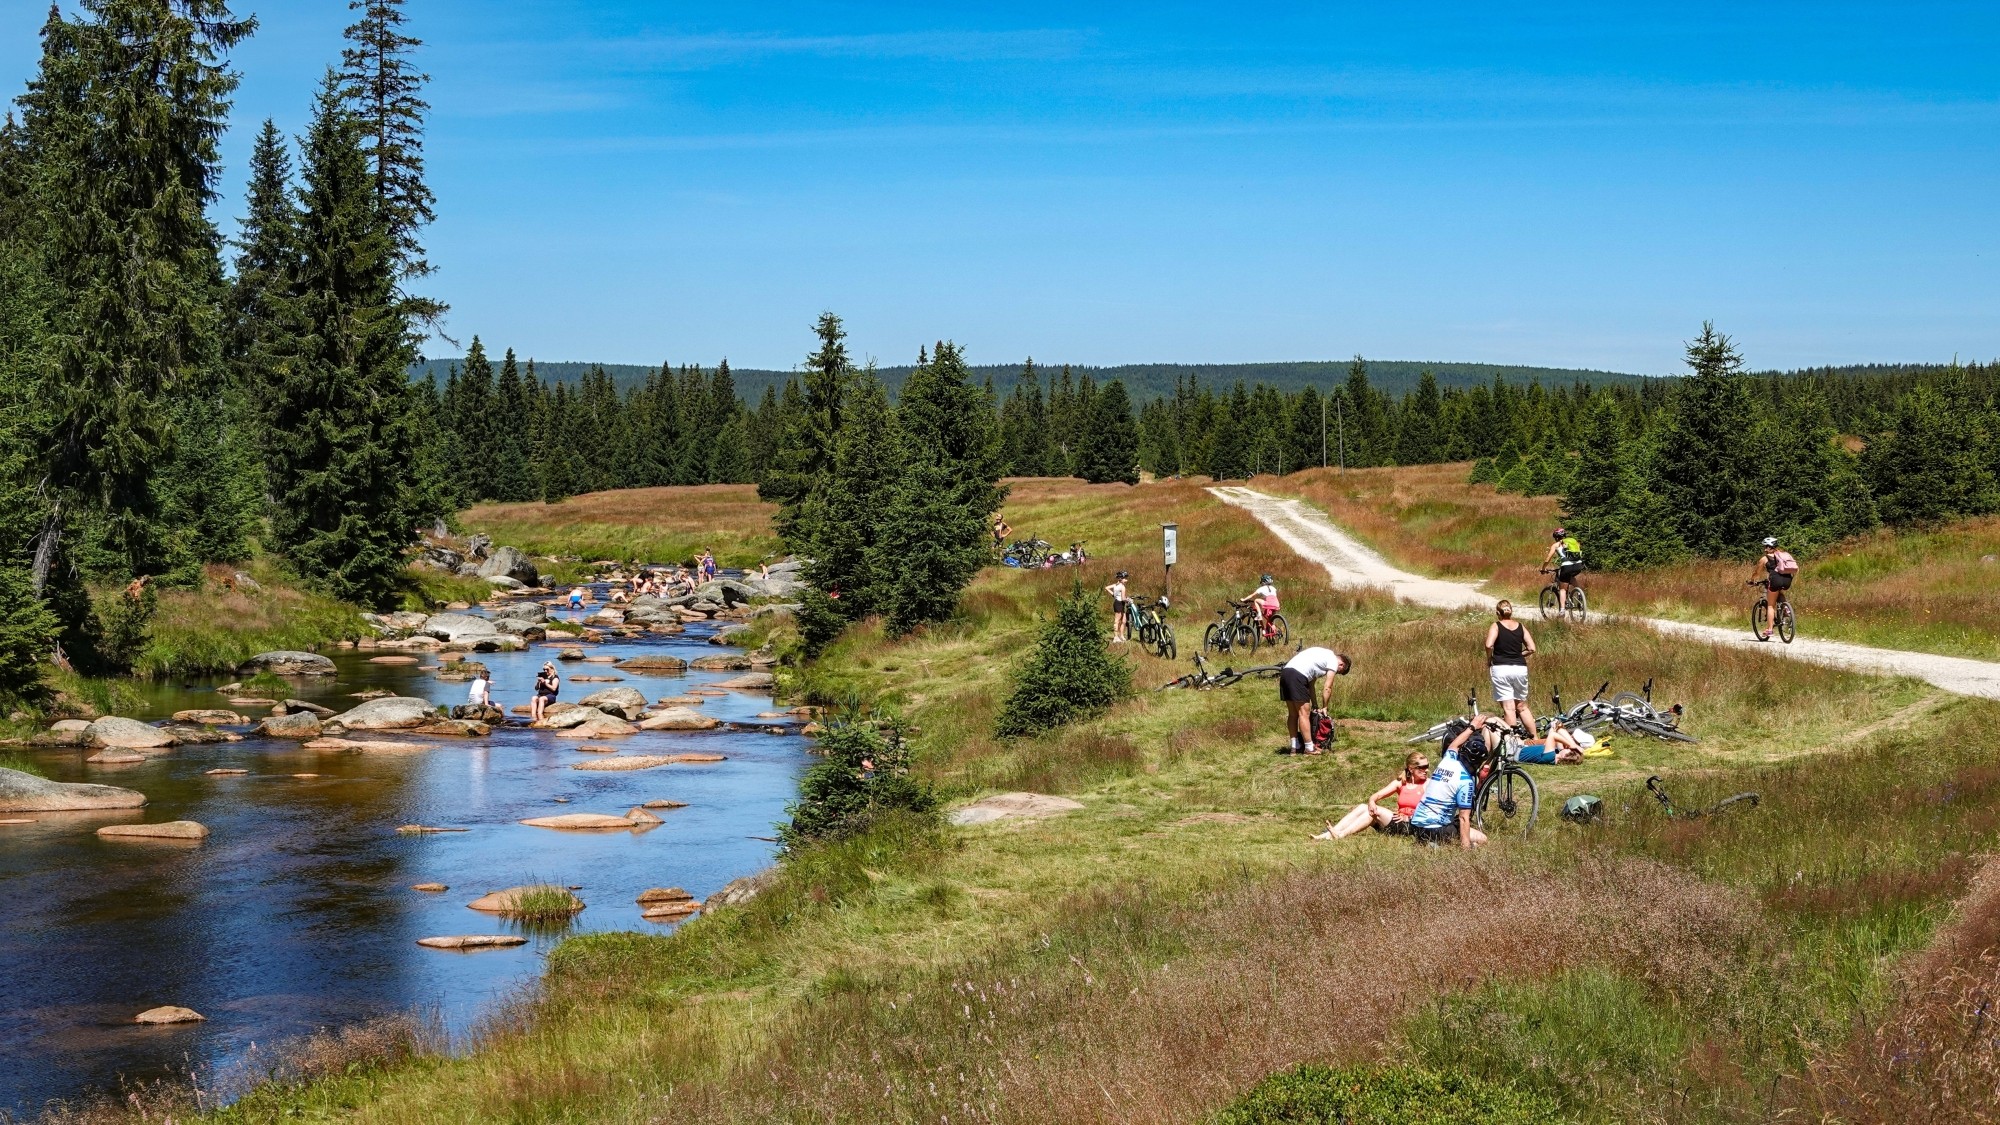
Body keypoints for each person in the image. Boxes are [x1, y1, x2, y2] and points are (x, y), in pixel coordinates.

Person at [1314, 751, 1428, 839]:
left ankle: (1340, 835)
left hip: (1410, 825)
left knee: (1374, 811)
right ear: (1411, 768)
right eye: (1422, 767)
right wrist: (1372, 801)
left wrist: (1410, 817)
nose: (1426, 770)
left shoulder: (1429, 784)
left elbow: (1433, 809)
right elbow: (1376, 796)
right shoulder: (1401, 783)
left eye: (1427, 766)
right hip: (1396, 822)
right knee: (1364, 807)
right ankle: (1330, 834)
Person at [1409, 745, 1486, 848]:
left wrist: (1472, 728)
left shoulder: (1447, 761)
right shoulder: (1465, 781)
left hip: (1416, 827)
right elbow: (1463, 817)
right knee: (1482, 839)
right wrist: (1466, 849)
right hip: (1437, 829)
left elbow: (1454, 745)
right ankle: (1436, 843)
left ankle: (1427, 841)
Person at [1279, 645, 1351, 755]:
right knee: (1304, 714)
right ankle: (1309, 747)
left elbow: (1311, 685)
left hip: (1286, 673)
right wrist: (1325, 707)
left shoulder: (1322, 655)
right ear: (1342, 664)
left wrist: (1315, 705)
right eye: (1339, 672)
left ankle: (1295, 747)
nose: (1337, 672)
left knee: (1293, 714)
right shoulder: (1332, 660)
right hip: (1298, 675)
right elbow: (1328, 687)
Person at [1484, 600, 1537, 737]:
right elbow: (1532, 648)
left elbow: (1489, 645)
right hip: (1519, 668)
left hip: (1501, 668)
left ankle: (1513, 740)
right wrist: (1520, 654)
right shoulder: (1520, 626)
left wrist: (1490, 659)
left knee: (1509, 708)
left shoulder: (1496, 626)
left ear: (1497, 613)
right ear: (1511, 611)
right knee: (1522, 706)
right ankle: (1535, 737)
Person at [1749, 536, 1799, 639]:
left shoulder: (1764, 558)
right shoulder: (1783, 554)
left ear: (1769, 547)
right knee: (1779, 592)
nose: (1764, 549)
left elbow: (1757, 572)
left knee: (1771, 606)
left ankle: (1770, 629)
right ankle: (1786, 609)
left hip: (1775, 579)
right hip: (1787, 579)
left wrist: (1752, 581)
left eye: (1766, 547)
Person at [1540, 527, 1585, 603]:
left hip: (1567, 566)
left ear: (1556, 537)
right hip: (1579, 565)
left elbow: (1548, 559)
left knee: (1562, 588)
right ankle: (1579, 593)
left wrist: (1543, 568)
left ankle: (1562, 610)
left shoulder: (1556, 545)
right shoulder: (1573, 542)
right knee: (1571, 577)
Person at [1243, 574, 1281, 640]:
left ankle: (1259, 615)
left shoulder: (1262, 588)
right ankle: (1273, 629)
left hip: (1268, 603)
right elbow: (1272, 596)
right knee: (1270, 619)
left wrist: (1244, 599)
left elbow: (1252, 595)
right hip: (1276, 604)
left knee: (1256, 600)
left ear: (1263, 582)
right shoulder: (1273, 588)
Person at [1105, 571, 1131, 643]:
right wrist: (1128, 600)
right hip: (1119, 603)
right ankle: (1115, 637)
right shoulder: (1122, 587)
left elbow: (1106, 588)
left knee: (1124, 621)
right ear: (1121, 579)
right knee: (1117, 621)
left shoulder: (1115, 585)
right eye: (1125, 578)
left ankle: (1121, 635)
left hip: (1120, 603)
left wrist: (1114, 595)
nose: (1126, 580)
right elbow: (1123, 598)